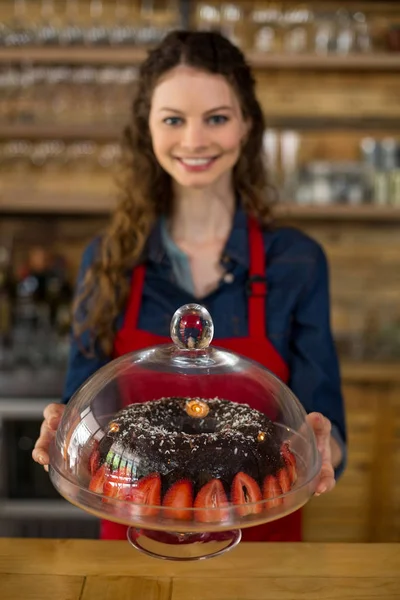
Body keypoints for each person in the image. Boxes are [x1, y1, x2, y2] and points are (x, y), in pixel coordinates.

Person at [32, 30, 347, 542]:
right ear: (148, 128)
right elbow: (83, 410)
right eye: (174, 119)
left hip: (264, 553)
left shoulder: (298, 261)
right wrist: (61, 423)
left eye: (216, 118)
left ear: (247, 125)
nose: (195, 140)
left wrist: (321, 445)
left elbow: (327, 431)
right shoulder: (108, 259)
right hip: (131, 545)